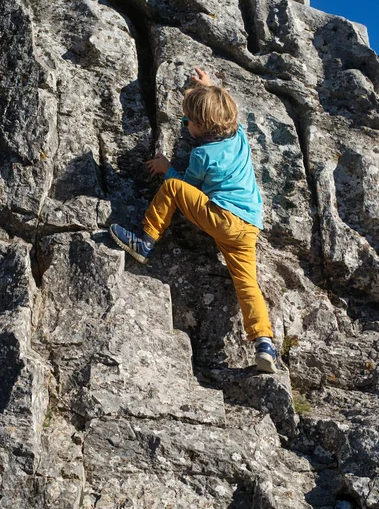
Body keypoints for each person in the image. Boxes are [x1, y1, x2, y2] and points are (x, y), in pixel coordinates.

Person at [110, 67, 277, 373]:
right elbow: (227, 111)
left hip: (221, 218)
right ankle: (264, 342)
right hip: (249, 226)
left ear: (200, 126)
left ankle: (145, 241)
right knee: (247, 283)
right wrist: (210, 87)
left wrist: (166, 167)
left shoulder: (202, 155)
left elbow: (189, 188)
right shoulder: (239, 136)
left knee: (173, 188)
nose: (185, 126)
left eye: (187, 121)